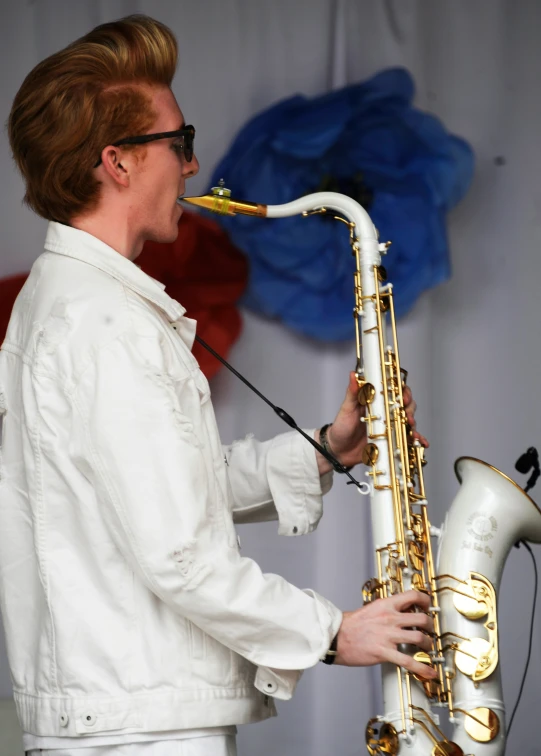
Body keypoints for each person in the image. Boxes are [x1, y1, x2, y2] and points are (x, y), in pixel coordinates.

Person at [0, 15, 436, 756]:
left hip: (128, 715)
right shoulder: (102, 324)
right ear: (119, 161)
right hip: (139, 731)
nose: (194, 165)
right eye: (180, 142)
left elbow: (165, 492)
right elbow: (177, 553)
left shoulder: (82, 305)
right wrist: (333, 631)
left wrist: (325, 451)